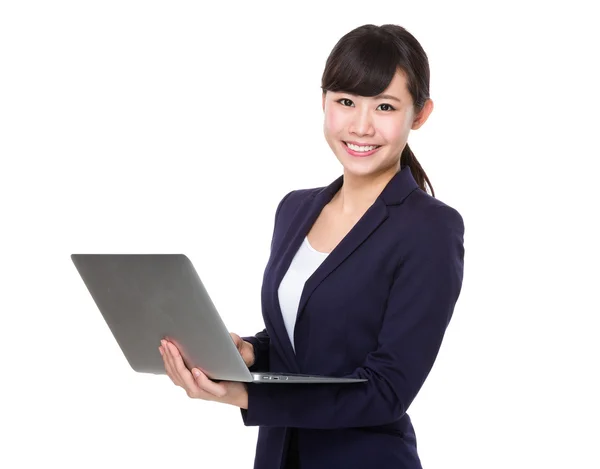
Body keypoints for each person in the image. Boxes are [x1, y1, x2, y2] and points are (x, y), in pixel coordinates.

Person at [159, 23, 465, 469]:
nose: (361, 126)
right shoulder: (294, 210)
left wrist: (247, 395)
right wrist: (248, 352)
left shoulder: (430, 229)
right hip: (278, 456)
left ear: (419, 115)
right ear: (324, 102)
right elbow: (306, 341)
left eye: (384, 106)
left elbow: (387, 390)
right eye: (346, 102)